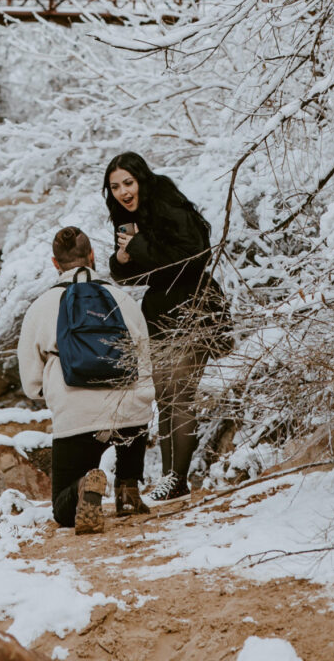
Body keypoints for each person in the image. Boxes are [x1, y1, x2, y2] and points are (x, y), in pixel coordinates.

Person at [104, 152, 228, 503]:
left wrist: (140, 246)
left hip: (192, 307)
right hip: (160, 312)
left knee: (180, 393)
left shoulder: (167, 202)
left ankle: (176, 479)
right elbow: (141, 274)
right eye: (115, 187)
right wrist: (120, 261)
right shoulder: (129, 217)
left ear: (142, 179)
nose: (123, 192)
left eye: (128, 182)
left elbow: (194, 255)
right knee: (165, 395)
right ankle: (172, 480)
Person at [18, 226, 155, 534]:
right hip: (130, 414)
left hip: (77, 417)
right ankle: (128, 487)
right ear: (92, 257)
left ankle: (82, 486)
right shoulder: (122, 298)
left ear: (55, 264)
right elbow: (144, 357)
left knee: (63, 512)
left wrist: (53, 391)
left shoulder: (40, 307)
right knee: (133, 414)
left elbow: (31, 383)